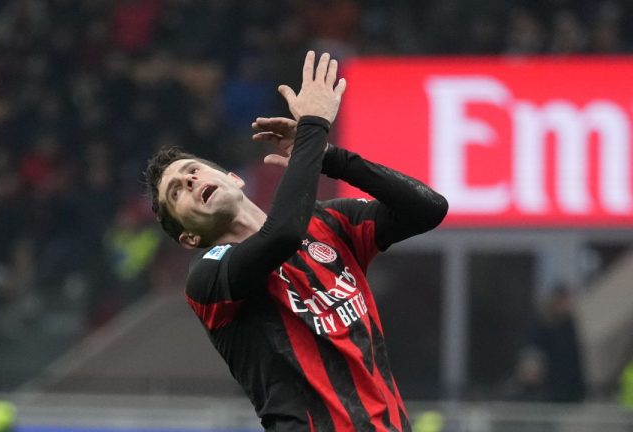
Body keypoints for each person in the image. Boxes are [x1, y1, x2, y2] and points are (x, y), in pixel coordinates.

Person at [144, 51, 448, 431]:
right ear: (189, 237)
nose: (188, 181)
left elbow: (428, 208)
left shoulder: (331, 223)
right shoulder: (208, 278)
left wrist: (330, 157)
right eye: (176, 193)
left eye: (192, 171)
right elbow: (282, 235)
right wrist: (313, 126)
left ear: (235, 179)